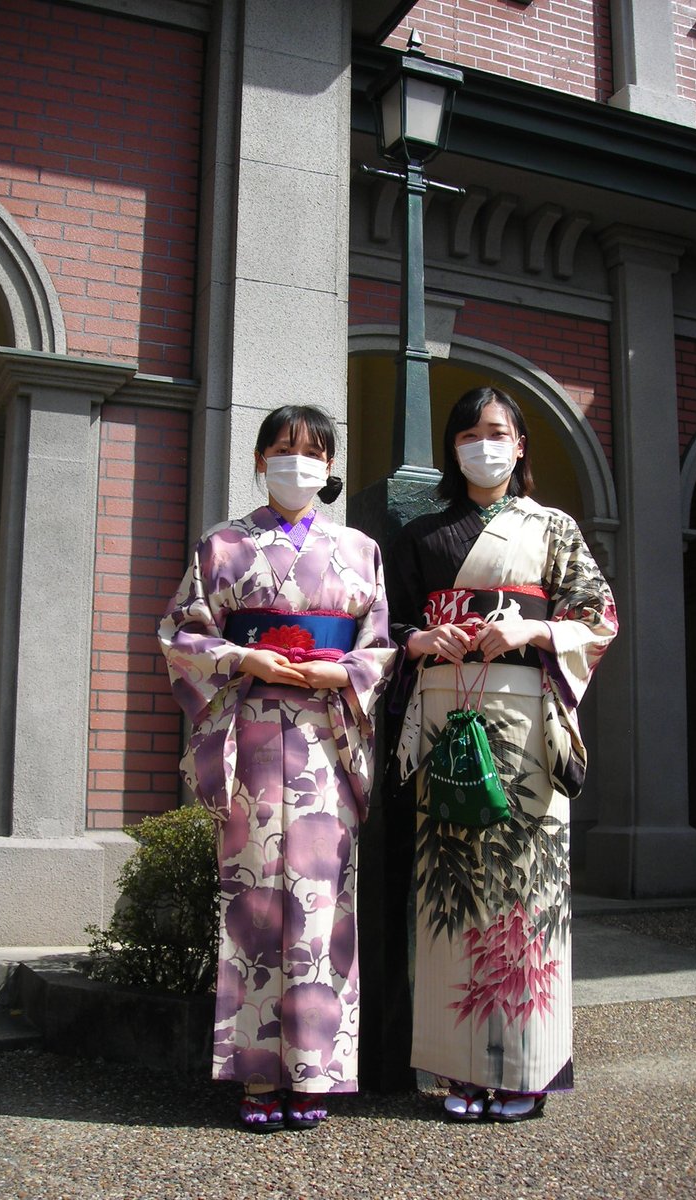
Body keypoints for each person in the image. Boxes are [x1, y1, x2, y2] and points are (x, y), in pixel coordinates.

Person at [158, 405, 395, 1132]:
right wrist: (239, 657)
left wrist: (343, 674)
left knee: (324, 907)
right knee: (256, 904)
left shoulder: (359, 549)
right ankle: (257, 1076)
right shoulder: (223, 545)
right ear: (261, 461)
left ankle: (316, 1072)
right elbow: (179, 634)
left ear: (330, 468)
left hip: (326, 740)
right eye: (285, 450)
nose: (299, 463)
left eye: (314, 452)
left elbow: (380, 646)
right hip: (254, 736)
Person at [387, 385, 618, 1123]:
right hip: (445, 714)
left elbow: (598, 613)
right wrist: (421, 640)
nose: (483, 443)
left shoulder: (552, 527)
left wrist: (531, 633)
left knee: (527, 889)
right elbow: (385, 626)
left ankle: (524, 1070)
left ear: (520, 447)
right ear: (453, 449)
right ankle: (458, 1072)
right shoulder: (422, 534)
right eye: (468, 433)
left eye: (497, 432)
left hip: (523, 720)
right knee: (450, 889)